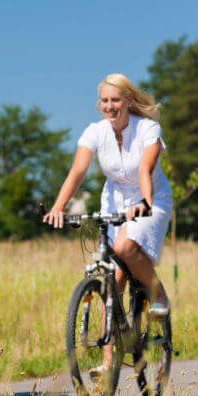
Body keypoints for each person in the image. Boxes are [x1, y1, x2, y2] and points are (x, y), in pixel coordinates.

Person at [44, 73, 173, 377]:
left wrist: (144, 200)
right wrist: (59, 207)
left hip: (150, 198)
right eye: (105, 101)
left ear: (129, 100)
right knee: (110, 283)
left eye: (116, 100)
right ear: (98, 104)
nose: (110, 106)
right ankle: (107, 361)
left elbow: (146, 166)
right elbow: (78, 171)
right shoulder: (95, 132)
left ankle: (158, 295)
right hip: (113, 200)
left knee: (125, 247)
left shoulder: (148, 129)